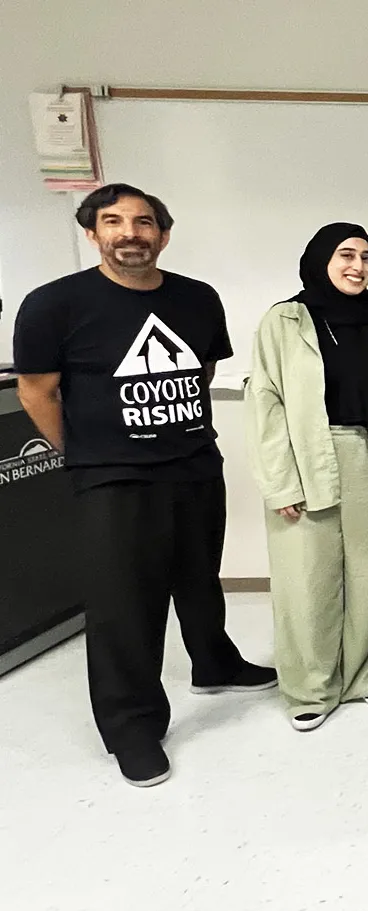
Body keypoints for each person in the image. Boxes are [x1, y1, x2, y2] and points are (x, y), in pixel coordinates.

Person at [11, 184, 276, 787]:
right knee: (124, 604)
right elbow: (35, 390)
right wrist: (80, 454)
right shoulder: (55, 303)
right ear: (92, 233)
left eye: (144, 222)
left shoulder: (197, 298)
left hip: (194, 463)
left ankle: (214, 662)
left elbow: (201, 369)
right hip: (113, 478)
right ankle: (132, 725)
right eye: (114, 221)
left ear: (163, 232)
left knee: (198, 577)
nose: (130, 233)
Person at [246, 223, 368, 731]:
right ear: (320, 259)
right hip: (305, 453)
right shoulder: (286, 319)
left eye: (367, 256)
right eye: (346, 255)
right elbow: (265, 401)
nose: (357, 266)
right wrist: (280, 481)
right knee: (306, 576)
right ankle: (310, 686)